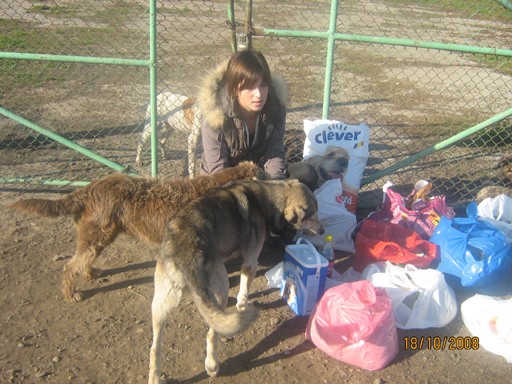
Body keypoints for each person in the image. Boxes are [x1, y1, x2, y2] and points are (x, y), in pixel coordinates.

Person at [197, 50, 288, 179]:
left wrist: (274, 188)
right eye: (249, 87)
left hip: (257, 174)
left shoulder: (275, 107)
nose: (258, 94)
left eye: (263, 85)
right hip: (220, 181)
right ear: (234, 89)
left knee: (305, 174)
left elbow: (274, 154)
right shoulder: (215, 114)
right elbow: (218, 170)